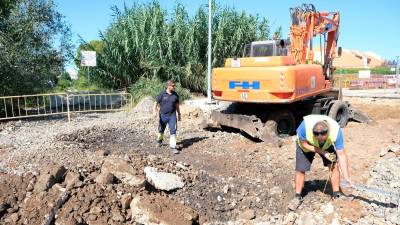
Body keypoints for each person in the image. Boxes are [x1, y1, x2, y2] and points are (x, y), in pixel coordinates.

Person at [288, 114, 353, 211]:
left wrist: (346, 176)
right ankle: (298, 196)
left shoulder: (336, 131)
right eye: (316, 135)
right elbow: (303, 143)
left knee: (334, 165)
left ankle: (336, 193)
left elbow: (342, 155)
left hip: (326, 145)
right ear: (313, 133)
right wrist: (322, 152)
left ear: (328, 132)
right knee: (301, 169)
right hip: (306, 146)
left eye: (323, 136)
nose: (319, 138)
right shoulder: (304, 127)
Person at [153, 80, 181, 154]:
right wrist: (154, 111)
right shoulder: (162, 94)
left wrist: (179, 114)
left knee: (173, 130)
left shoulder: (175, 95)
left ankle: (173, 147)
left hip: (172, 116)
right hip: (163, 115)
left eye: (174, 85)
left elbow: (177, 105)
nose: (174, 87)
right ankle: (159, 141)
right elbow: (156, 102)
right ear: (168, 86)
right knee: (161, 130)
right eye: (172, 85)